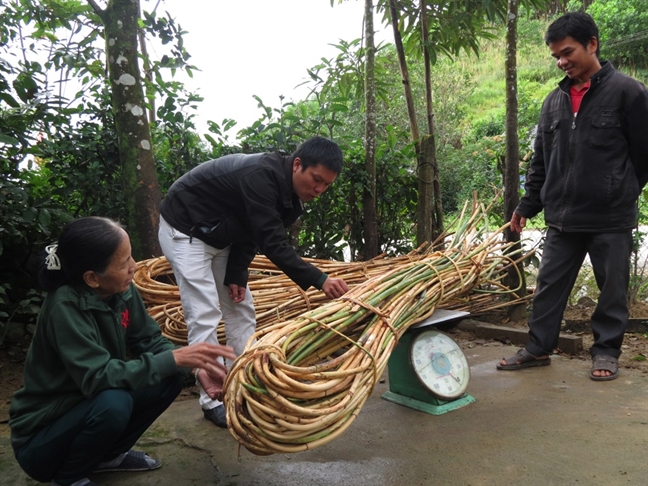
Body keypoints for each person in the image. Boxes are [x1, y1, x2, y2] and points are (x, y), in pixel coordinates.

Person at [9, 217, 237, 486]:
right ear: (92, 278)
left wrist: (195, 368)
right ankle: (68, 478)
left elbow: (151, 341)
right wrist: (174, 358)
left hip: (84, 407)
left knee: (169, 377)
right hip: (42, 442)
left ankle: (108, 457)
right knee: (113, 403)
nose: (133, 267)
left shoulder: (121, 291)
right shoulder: (65, 307)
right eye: (123, 263)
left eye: (131, 257)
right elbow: (97, 377)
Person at [158, 136, 350, 427]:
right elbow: (272, 242)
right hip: (186, 228)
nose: (319, 190)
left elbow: (253, 232)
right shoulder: (261, 175)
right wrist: (320, 279)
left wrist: (237, 273)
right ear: (297, 164)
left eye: (326, 185)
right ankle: (213, 399)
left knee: (241, 306)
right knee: (205, 310)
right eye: (316, 179)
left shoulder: (292, 198)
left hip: (221, 235)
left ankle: (241, 382)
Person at [497, 12, 648, 381]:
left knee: (611, 289)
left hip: (610, 217)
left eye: (567, 53)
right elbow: (541, 161)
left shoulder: (629, 92)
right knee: (548, 287)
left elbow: (644, 155)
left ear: (592, 44)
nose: (562, 62)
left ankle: (606, 352)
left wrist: (621, 190)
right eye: (556, 57)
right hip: (562, 217)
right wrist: (527, 204)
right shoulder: (553, 102)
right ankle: (537, 348)